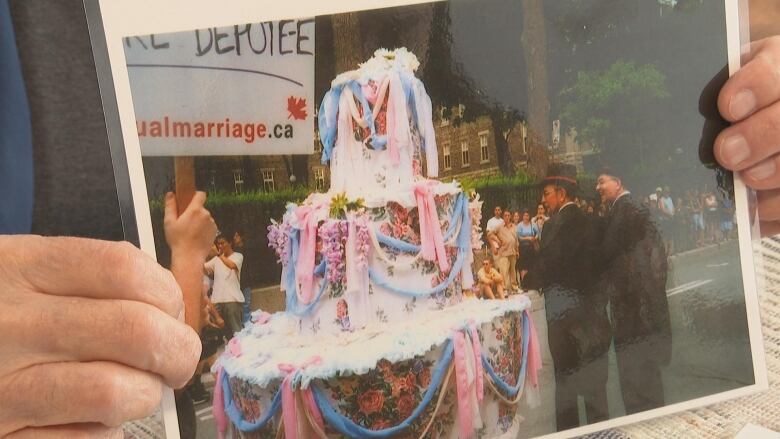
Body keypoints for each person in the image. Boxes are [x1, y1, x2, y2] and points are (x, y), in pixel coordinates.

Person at [525, 164, 611, 431]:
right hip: (594, 324)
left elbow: (546, 267)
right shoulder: (595, 223)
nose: (543, 200)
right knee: (597, 397)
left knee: (566, 397)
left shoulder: (552, 227)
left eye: (547, 193)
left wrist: (527, 281)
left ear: (561, 194)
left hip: (563, 326)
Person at [595, 170, 672, 414]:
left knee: (637, 380)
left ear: (618, 182)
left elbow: (609, 254)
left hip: (632, 308)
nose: (598, 187)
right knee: (646, 376)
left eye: (602, 181)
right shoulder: (633, 209)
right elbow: (658, 258)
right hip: (642, 305)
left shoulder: (624, 211)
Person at [204, 234, 245, 338]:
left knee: (237, 333)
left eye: (222, 243)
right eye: (218, 244)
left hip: (232, 300)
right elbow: (204, 269)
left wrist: (220, 256)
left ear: (230, 243)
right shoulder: (216, 260)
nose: (220, 246)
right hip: (217, 301)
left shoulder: (238, 256)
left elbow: (231, 265)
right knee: (226, 336)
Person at [488, 210, 519, 292]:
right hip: (504, 252)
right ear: (503, 217)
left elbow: (516, 240)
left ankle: (514, 288)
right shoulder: (499, 226)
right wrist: (497, 240)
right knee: (504, 272)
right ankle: (504, 289)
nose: (507, 217)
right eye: (505, 215)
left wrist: (517, 250)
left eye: (509, 215)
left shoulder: (514, 226)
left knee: (513, 272)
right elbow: (489, 234)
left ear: (510, 216)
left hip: (512, 251)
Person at [515, 209, 539, 289]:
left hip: (531, 248)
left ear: (529, 216)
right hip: (523, 248)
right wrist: (528, 238)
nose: (526, 217)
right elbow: (519, 237)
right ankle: (524, 284)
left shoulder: (533, 224)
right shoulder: (520, 225)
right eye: (525, 215)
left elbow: (538, 234)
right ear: (523, 216)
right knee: (523, 266)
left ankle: (531, 283)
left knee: (531, 266)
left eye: (527, 215)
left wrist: (534, 238)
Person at [232, 230, 253, 323]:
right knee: (239, 306)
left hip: (245, 280)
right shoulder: (233, 252)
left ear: (241, 237)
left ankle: (247, 322)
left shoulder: (245, 250)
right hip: (237, 281)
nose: (235, 238)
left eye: (237, 236)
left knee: (246, 304)